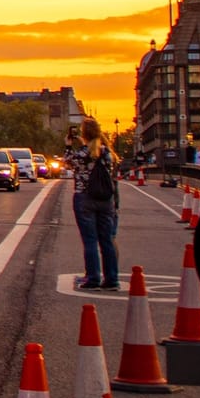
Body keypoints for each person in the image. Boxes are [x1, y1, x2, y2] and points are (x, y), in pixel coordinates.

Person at [64, 120, 120, 291]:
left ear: (84, 134)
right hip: (105, 200)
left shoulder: (82, 153)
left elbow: (68, 162)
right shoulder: (107, 153)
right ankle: (112, 279)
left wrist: (68, 145)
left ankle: (93, 277)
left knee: (90, 240)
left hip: (85, 197)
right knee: (107, 240)